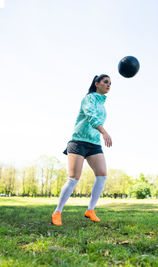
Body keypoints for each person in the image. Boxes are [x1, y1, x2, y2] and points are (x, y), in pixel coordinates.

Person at [51, 74, 112, 225]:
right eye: (106, 82)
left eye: (110, 83)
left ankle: (90, 210)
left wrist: (101, 134)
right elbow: (91, 117)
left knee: (102, 174)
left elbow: (96, 121)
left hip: (93, 144)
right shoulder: (89, 98)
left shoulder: (103, 106)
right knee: (73, 178)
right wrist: (104, 132)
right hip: (79, 141)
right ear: (97, 84)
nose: (109, 85)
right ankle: (57, 212)